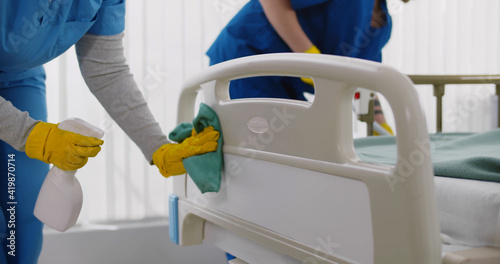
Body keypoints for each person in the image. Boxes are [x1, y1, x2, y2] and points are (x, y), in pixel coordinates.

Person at [0, 0, 219, 263]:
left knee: (22, 217)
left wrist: (157, 146)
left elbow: (106, 68)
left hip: (17, 78)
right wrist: (30, 135)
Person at [207, 0, 411, 135]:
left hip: (286, 78)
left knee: (297, 153)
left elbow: (363, 80)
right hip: (249, 59)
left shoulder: (381, 23)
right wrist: (308, 55)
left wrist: (380, 126)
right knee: (264, 155)